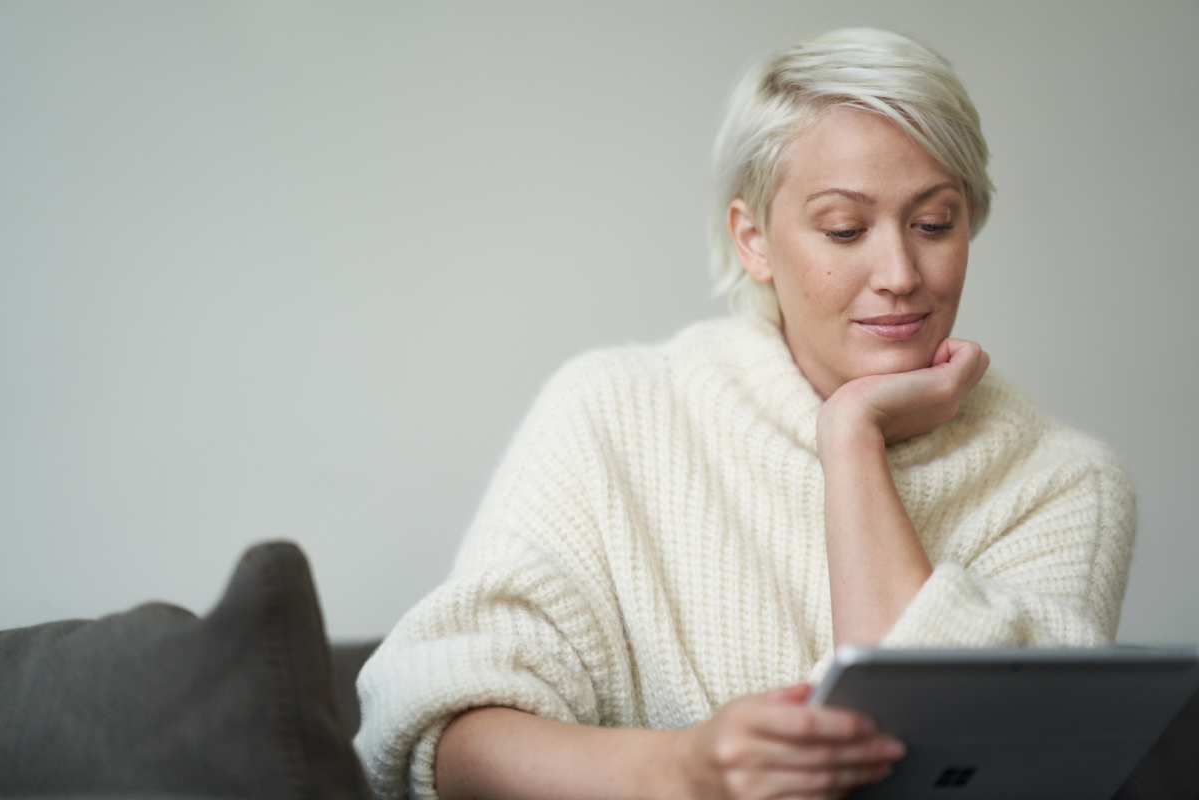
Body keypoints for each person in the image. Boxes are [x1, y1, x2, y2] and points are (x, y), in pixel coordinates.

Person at [354, 28, 1135, 800]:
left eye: (933, 223)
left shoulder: (1062, 484)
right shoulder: (615, 413)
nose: (900, 274)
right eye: (844, 229)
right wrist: (681, 771)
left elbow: (956, 758)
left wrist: (852, 440)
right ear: (753, 240)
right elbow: (446, 731)